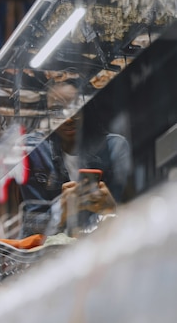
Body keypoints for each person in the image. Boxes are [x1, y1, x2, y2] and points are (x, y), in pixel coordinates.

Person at [18, 78, 132, 236]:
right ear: (47, 113)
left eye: (74, 107)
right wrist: (61, 210)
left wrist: (110, 210)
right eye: (57, 110)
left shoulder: (114, 147)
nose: (68, 118)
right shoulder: (33, 151)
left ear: (85, 106)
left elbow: (133, 211)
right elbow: (31, 224)